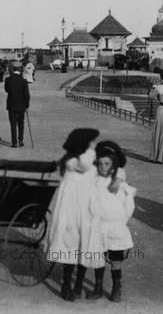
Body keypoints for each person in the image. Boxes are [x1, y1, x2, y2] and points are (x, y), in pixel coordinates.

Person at [45, 128, 105, 301]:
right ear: (85, 144)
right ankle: (72, 285)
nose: (94, 144)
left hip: (77, 210)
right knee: (79, 244)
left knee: (75, 245)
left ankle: (73, 285)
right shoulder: (85, 160)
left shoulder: (72, 161)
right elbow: (89, 170)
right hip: (78, 210)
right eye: (92, 141)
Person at [88, 141, 136, 303]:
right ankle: (98, 287)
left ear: (113, 164)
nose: (103, 167)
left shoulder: (120, 184)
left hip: (115, 227)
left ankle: (116, 287)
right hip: (98, 226)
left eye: (107, 164)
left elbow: (128, 206)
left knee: (115, 259)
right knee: (98, 257)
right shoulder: (95, 182)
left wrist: (121, 221)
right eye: (100, 164)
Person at [4, 61, 30, 148]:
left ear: (12, 69)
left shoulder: (8, 80)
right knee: (21, 123)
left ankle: (14, 142)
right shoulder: (24, 81)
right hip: (21, 106)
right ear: (20, 69)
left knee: (13, 124)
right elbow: (26, 95)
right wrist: (26, 105)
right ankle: (21, 141)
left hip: (11, 105)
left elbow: (7, 90)